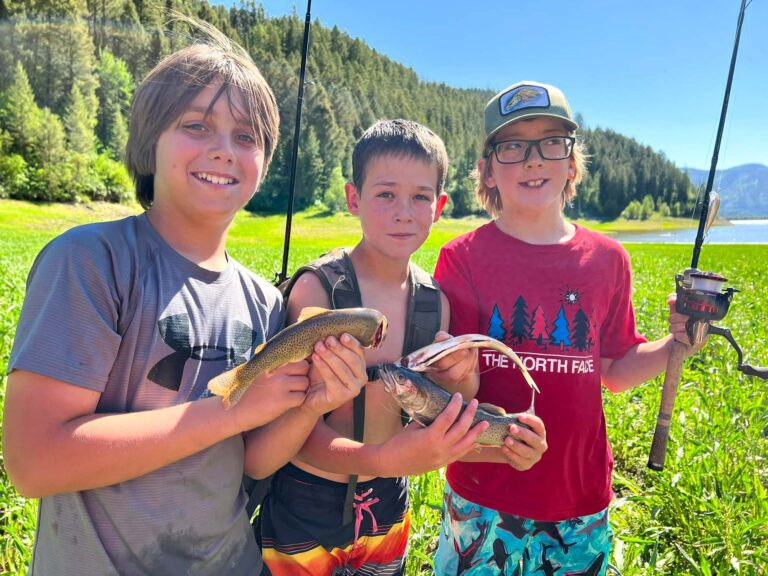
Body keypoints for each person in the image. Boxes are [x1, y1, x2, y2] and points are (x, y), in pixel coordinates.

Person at [2, 23, 367, 576]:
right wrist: (230, 408)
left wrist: (310, 403)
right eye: (196, 126)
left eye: (247, 137)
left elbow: (249, 460)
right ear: (150, 141)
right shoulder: (91, 261)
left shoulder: (265, 302)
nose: (224, 151)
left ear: (264, 162)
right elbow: (35, 463)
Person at [431, 80, 702, 575]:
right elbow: (456, 383)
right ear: (487, 170)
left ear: (572, 162)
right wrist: (492, 429)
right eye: (513, 146)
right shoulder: (460, 258)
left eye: (551, 144)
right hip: (481, 497)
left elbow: (616, 371)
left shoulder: (608, 259)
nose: (533, 160)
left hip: (579, 500)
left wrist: (674, 342)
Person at [257, 119, 549, 575]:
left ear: (440, 206)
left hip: (389, 508)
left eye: (420, 197)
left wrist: (499, 430)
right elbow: (291, 431)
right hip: (304, 503)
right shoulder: (319, 292)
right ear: (354, 198)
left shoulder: (436, 305)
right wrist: (382, 457)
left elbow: (445, 410)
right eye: (386, 194)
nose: (404, 212)